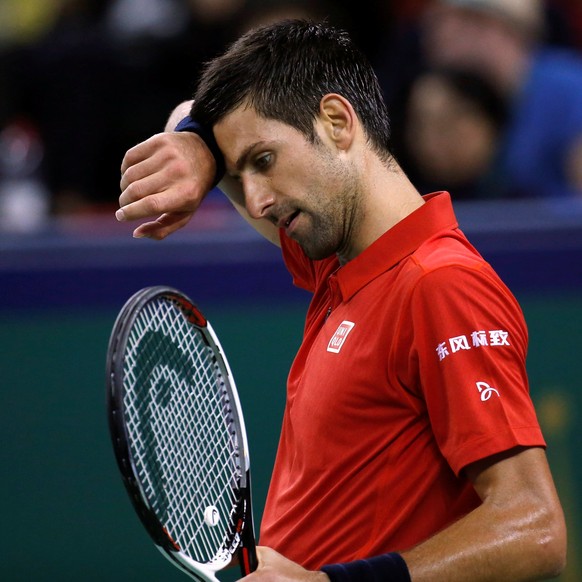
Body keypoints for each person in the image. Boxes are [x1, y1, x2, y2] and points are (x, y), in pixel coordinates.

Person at [117, 19, 567, 581]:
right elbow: (191, 107)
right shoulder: (337, 259)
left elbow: (536, 528)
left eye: (263, 161)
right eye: (239, 174)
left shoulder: (441, 284)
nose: (254, 201)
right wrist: (199, 148)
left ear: (336, 122)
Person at [420, 0, 582, 199]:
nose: (445, 38)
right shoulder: (448, 95)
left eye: (467, 24)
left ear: (508, 31)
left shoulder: (569, 87)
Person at [397, 67, 509, 200]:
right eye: (419, 124)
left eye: (448, 122)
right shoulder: (405, 203)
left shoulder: (526, 198)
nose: (429, 140)